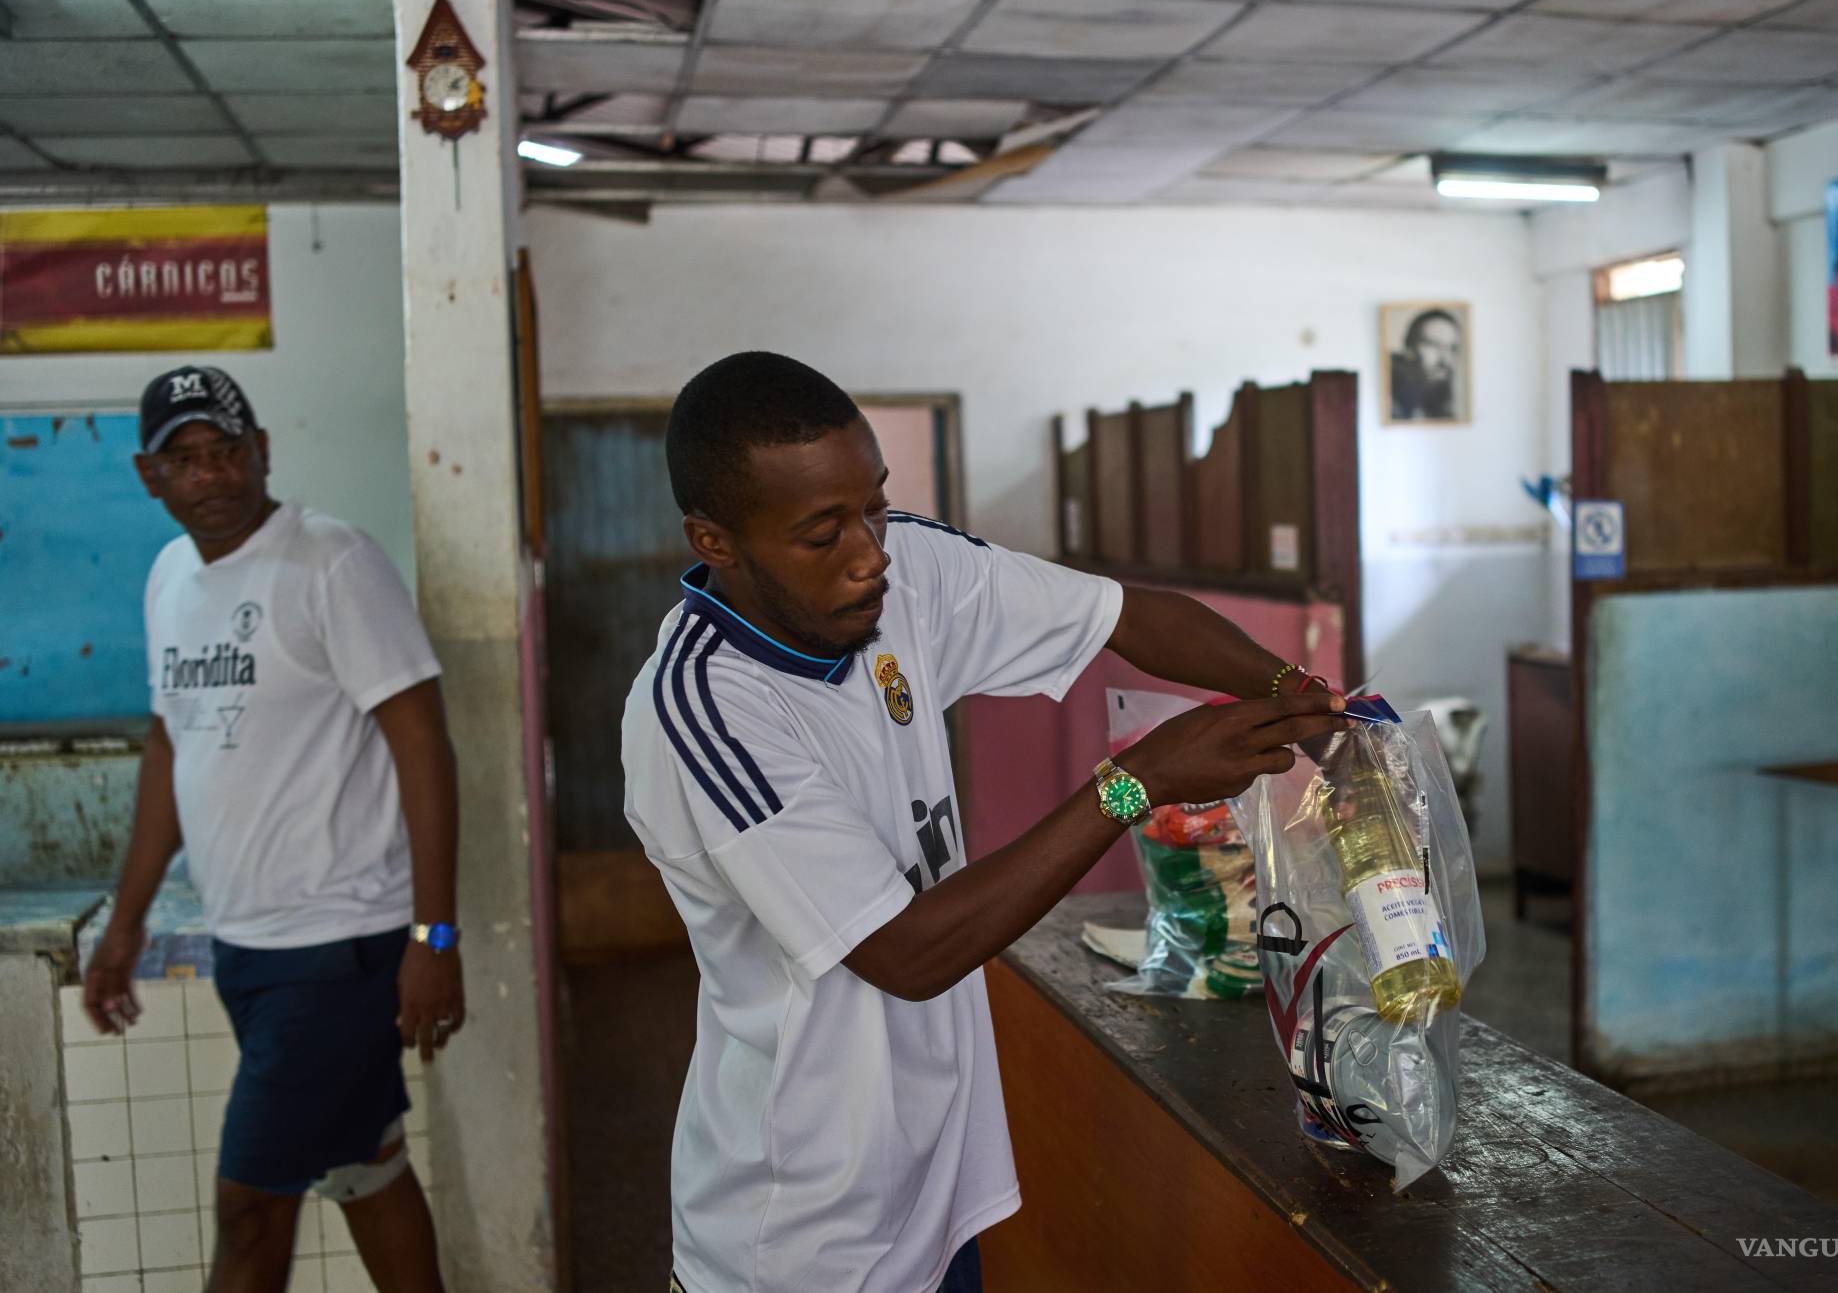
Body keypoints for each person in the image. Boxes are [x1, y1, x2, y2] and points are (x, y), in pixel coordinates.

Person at [620, 352, 1346, 1293]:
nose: (869, 551)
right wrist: (1138, 780)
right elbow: (907, 952)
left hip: (935, 1188)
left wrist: (1299, 694)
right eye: (822, 533)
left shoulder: (904, 572)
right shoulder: (706, 709)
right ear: (714, 541)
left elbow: (1124, 617)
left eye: (876, 505)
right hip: (803, 1234)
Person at [83, 365, 465, 1293]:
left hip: (337, 945)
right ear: (149, 476)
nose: (209, 474)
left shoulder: (332, 562)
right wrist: (126, 922)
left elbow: (423, 744)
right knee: (365, 1164)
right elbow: (171, 747)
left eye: (225, 451)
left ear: (260, 450)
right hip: (249, 946)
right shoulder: (170, 577)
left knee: (250, 1210)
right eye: (184, 460)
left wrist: (434, 934)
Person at [1389, 308, 1463, 421]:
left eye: (1453, 348)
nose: (1445, 360)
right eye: (1434, 345)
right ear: (1409, 347)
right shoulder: (1391, 401)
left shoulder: (1445, 407)